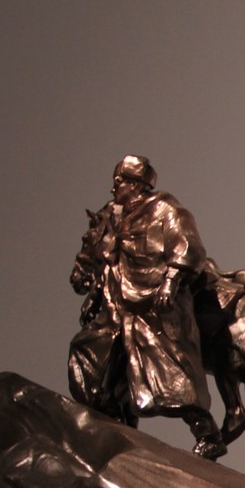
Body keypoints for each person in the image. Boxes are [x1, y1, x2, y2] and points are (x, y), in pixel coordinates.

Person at [68, 155, 226, 458]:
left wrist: (170, 281)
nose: (114, 188)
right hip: (117, 306)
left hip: (153, 304)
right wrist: (95, 295)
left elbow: (188, 247)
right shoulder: (113, 216)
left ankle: (207, 432)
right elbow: (106, 256)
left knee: (168, 368)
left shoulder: (165, 209)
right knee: (90, 352)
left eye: (119, 182)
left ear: (136, 184)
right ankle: (116, 421)